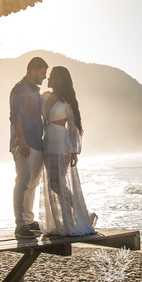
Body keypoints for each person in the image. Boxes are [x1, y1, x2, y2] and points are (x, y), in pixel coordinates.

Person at [39, 66, 95, 237]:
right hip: (47, 144)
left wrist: (73, 151)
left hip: (61, 146)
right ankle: (68, 218)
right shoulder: (44, 96)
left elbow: (73, 127)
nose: (48, 78)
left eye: (52, 76)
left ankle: (77, 216)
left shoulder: (67, 103)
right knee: (53, 183)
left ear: (59, 80)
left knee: (57, 183)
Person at [10, 56, 48, 238]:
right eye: (42, 73)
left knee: (33, 183)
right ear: (33, 71)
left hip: (37, 143)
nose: (44, 77)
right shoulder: (20, 89)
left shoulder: (35, 92)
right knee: (23, 182)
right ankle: (20, 225)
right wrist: (22, 140)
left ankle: (28, 220)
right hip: (24, 143)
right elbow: (15, 117)